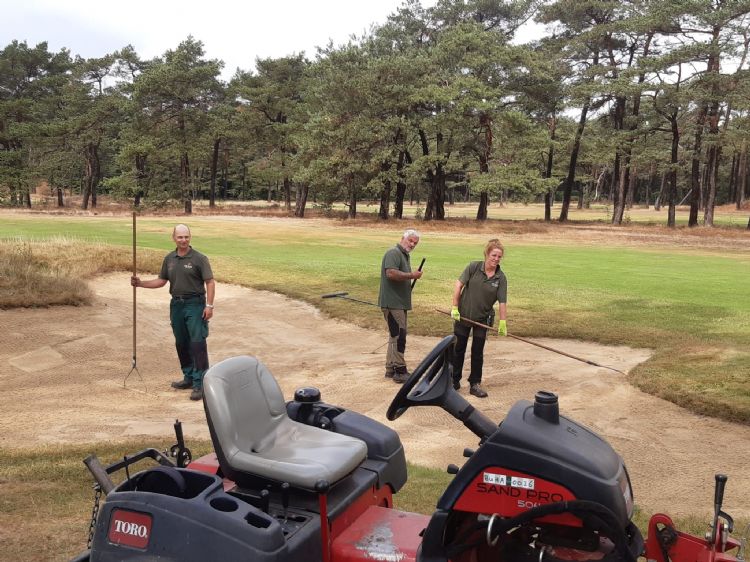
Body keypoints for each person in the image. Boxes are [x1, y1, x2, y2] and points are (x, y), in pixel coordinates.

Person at [131, 224, 215, 401]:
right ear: (174, 238)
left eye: (186, 237)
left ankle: (200, 383)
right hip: (176, 305)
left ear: (190, 237)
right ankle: (189, 378)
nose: (183, 240)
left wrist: (209, 306)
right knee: (181, 342)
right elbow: (162, 281)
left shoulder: (199, 258)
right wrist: (140, 283)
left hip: (195, 304)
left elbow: (210, 282)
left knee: (197, 343)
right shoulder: (169, 259)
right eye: (180, 237)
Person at [450, 238, 507, 398]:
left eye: (499, 257)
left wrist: (503, 322)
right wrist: (455, 307)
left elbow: (502, 302)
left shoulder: (500, 278)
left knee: (477, 351)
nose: (496, 259)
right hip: (463, 315)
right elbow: (458, 285)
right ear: (487, 254)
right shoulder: (473, 267)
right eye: (494, 255)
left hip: (482, 319)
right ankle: (453, 381)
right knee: (458, 348)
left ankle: (475, 383)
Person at [378, 229, 423, 384]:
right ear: (402, 238)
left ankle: (390, 369)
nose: (412, 244)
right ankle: (400, 370)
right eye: (410, 240)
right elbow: (390, 273)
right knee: (399, 336)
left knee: (394, 335)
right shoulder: (393, 253)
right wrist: (412, 275)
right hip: (393, 303)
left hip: (398, 303)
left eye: (415, 243)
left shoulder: (404, 255)